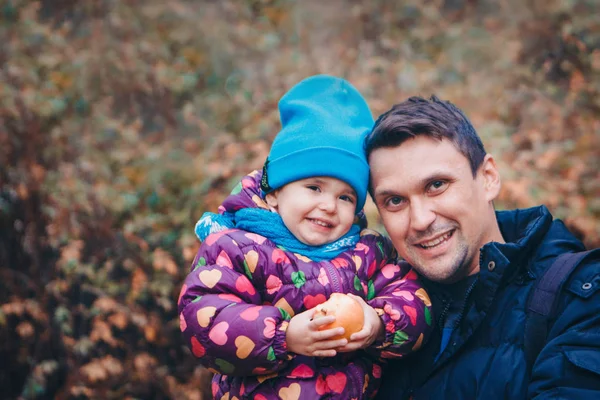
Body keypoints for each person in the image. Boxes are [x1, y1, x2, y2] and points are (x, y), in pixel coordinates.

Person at [178, 75, 433, 399]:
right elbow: (203, 319)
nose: (328, 206)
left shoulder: (367, 253)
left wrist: (379, 323)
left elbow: (416, 303)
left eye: (345, 197)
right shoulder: (235, 248)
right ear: (274, 195)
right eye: (314, 187)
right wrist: (284, 336)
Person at [366, 95, 600, 399]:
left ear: (488, 177)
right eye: (395, 201)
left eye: (437, 185)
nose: (420, 220)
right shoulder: (379, 309)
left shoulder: (581, 298)